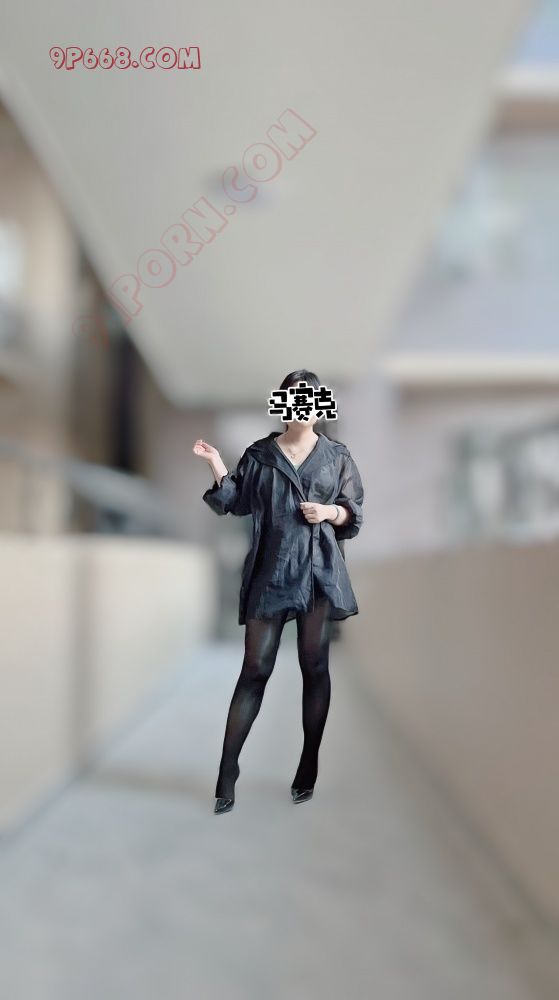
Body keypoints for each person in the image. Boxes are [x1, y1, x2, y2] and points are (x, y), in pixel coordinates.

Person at [193, 369, 364, 814]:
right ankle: (227, 771)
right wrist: (216, 463)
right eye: (294, 400)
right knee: (255, 668)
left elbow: (353, 513)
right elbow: (234, 502)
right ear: (283, 405)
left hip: (319, 572)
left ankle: (308, 766)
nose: (302, 409)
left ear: (320, 407)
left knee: (315, 666)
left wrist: (328, 512)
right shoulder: (260, 455)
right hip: (271, 571)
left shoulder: (337, 456)